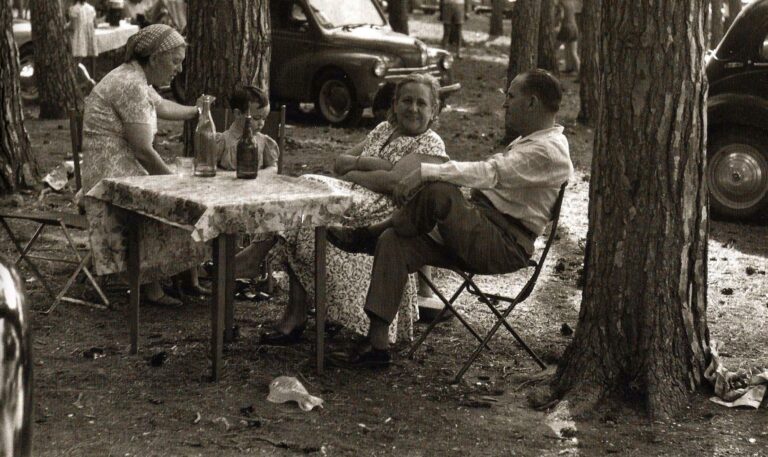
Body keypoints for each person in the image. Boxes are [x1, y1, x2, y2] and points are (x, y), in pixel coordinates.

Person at [328, 69, 574, 368]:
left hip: (503, 243)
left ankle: (368, 232)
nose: (504, 105)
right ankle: (377, 345)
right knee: (394, 241)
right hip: (478, 230)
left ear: (532, 102)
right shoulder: (533, 142)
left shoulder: (548, 151)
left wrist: (425, 171)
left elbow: (490, 173)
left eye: (511, 96)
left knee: (439, 190)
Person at [257, 73, 450, 346]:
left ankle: (269, 280)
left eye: (422, 103)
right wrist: (374, 165)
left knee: (307, 201)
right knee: (304, 205)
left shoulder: (431, 143)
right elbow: (339, 163)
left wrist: (356, 172)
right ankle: (294, 310)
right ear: (394, 104)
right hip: (351, 200)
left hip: (383, 214)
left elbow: (395, 183)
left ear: (434, 111)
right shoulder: (384, 130)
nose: (413, 108)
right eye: (406, 101)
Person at [81, 24, 207, 307]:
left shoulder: (138, 80)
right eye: (175, 61)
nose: (178, 69)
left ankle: (183, 279)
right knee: (164, 203)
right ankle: (151, 288)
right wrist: (175, 183)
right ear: (153, 57)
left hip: (120, 169)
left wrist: (199, 111)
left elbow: (161, 106)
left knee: (175, 198)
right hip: (109, 179)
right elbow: (143, 150)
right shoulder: (130, 84)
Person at [213, 87, 278, 173]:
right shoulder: (223, 141)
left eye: (264, 118)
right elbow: (209, 167)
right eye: (257, 118)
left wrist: (257, 175)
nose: (261, 123)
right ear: (238, 114)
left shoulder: (263, 141)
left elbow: (273, 168)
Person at [556, 0, 580, 74]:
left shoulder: (561, 3)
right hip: (574, 27)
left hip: (566, 27)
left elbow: (561, 16)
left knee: (555, 49)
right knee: (573, 52)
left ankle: (554, 69)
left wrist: (557, 22)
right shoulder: (571, 2)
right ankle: (578, 72)